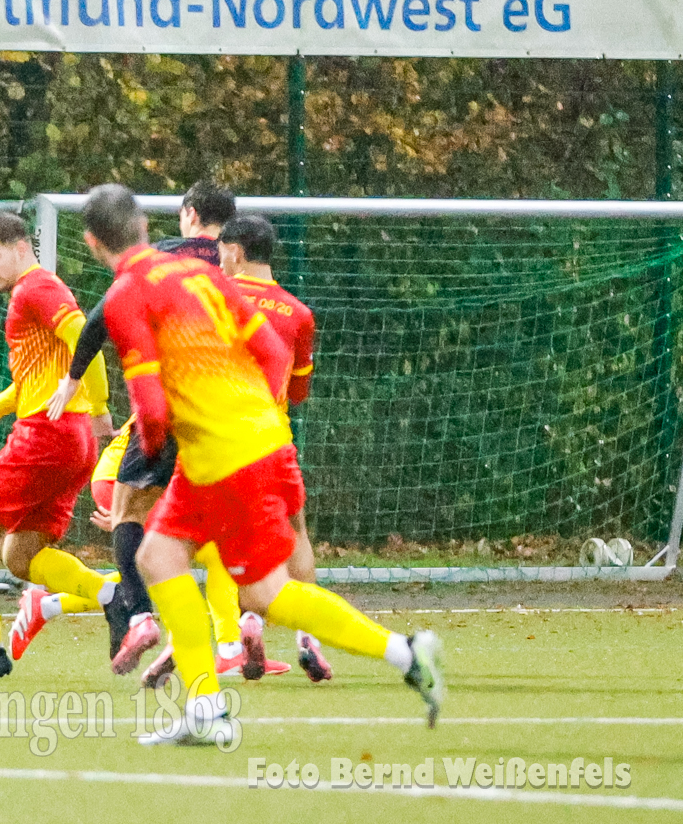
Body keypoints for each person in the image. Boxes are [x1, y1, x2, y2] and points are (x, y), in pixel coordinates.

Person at [82, 185, 444, 744]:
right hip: (253, 441)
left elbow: (150, 409)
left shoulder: (126, 294)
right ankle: (205, 708)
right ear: (145, 228)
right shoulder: (201, 274)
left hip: (225, 456)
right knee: (159, 556)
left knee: (263, 594)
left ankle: (404, 652)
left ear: (90, 242)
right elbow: (273, 353)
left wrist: (148, 462)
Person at [26, 180, 239, 675]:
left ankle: (140, 615)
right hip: (229, 415)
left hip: (167, 409)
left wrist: (73, 379)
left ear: (189, 214)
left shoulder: (154, 265)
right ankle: (235, 641)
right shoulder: (235, 265)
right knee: (217, 545)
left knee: (129, 517)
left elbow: (98, 323)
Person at [141, 214, 326, 686]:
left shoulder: (212, 298)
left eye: (220, 249)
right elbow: (298, 391)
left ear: (235, 251)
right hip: (271, 440)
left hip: (210, 437)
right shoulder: (298, 313)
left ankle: (196, 638)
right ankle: (307, 637)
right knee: (296, 532)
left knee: (186, 540)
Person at [0, 211, 124, 681]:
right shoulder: (33, 292)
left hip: (47, 436)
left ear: (21, 248)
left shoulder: (36, 289)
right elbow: (36, 378)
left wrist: (101, 405)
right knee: (20, 556)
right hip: (70, 437)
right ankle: (112, 596)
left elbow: (86, 338)